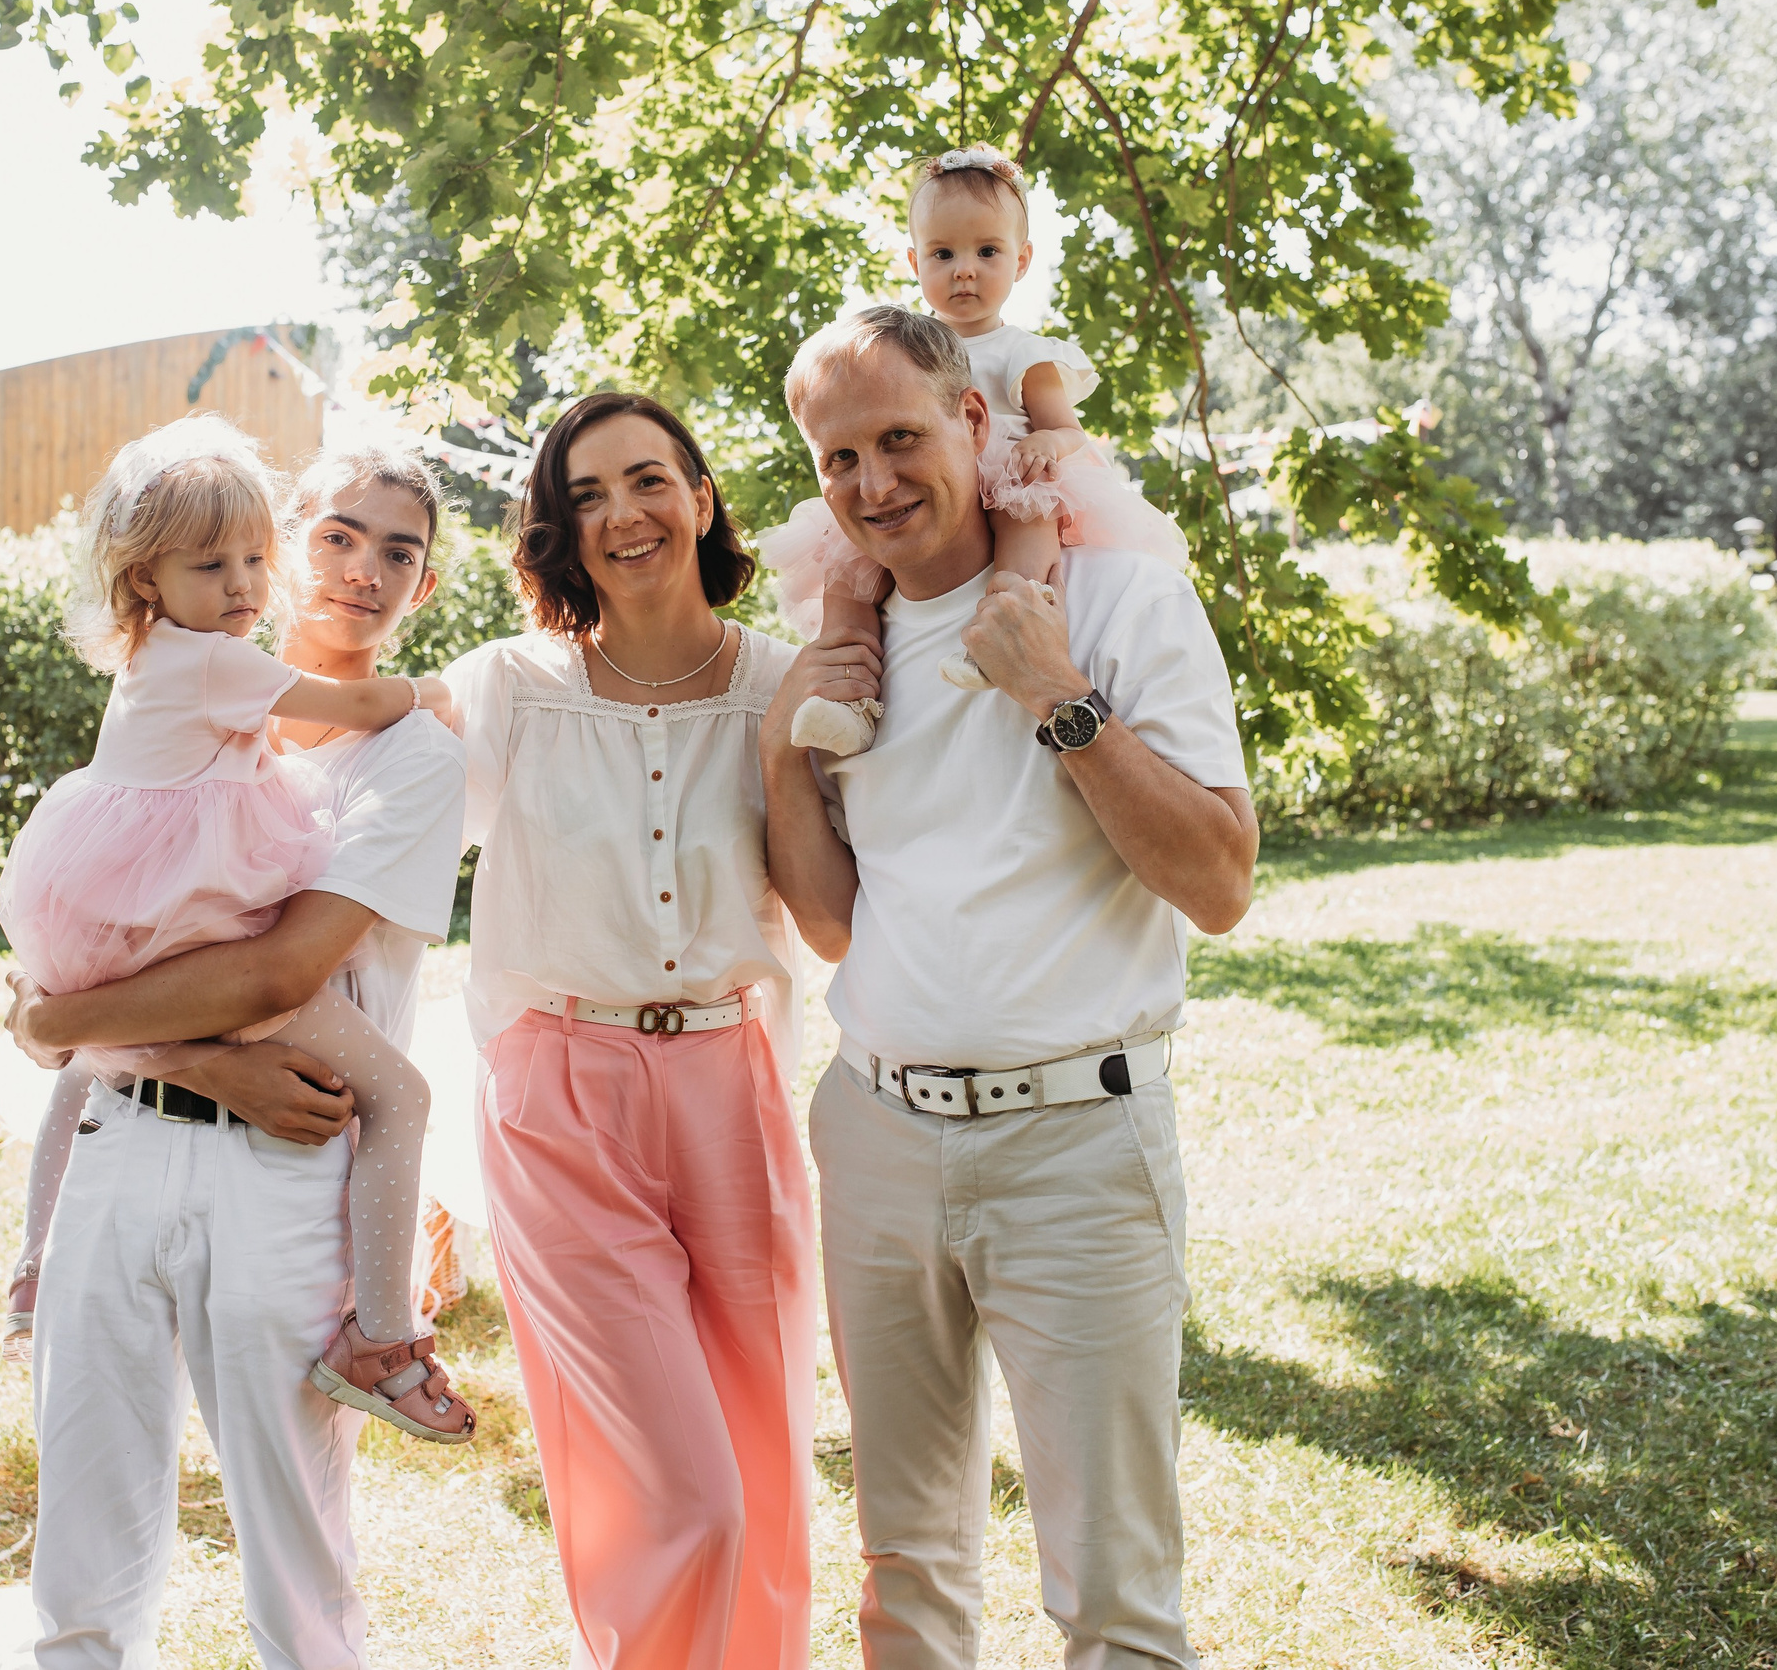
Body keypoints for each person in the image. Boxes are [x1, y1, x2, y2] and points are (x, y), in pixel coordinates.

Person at [761, 305, 1257, 1670]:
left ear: (975, 424)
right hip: (876, 1133)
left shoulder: (1120, 601)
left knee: (1113, 1591)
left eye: (902, 439)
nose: (874, 485)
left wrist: (1062, 697)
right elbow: (828, 922)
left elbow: (1218, 880)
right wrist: (776, 748)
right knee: (906, 1565)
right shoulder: (839, 651)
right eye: (838, 456)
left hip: (1076, 1145)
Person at [2, 437, 475, 1670]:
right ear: (289, 532)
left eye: (400, 551)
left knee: (293, 1550)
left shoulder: (407, 755)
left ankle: (384, 1333)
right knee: (86, 1515)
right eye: (337, 535)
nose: (362, 570)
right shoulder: (195, 697)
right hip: (121, 1131)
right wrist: (157, 1049)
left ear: (422, 586)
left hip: (279, 1173)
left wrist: (59, 1024)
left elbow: (273, 973)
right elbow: (98, 944)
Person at [442, 392, 817, 1670]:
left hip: (733, 1080)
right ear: (560, 531)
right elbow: (355, 830)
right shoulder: (510, 689)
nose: (621, 514)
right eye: (585, 495)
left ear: (702, 498)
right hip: (561, 1093)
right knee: (676, 1496)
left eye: (646, 480)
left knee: (763, 1476)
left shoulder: (784, 679)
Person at [760, 146, 1186, 756]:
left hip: (1009, 466)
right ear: (914, 261)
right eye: (943, 253)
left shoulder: (1024, 352)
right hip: (927, 478)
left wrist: (1044, 442)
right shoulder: (900, 352)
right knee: (844, 571)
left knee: (1029, 514)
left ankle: (1000, 631)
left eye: (987, 252)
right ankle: (847, 696)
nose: (965, 270)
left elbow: (1068, 431)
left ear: (1022, 260)